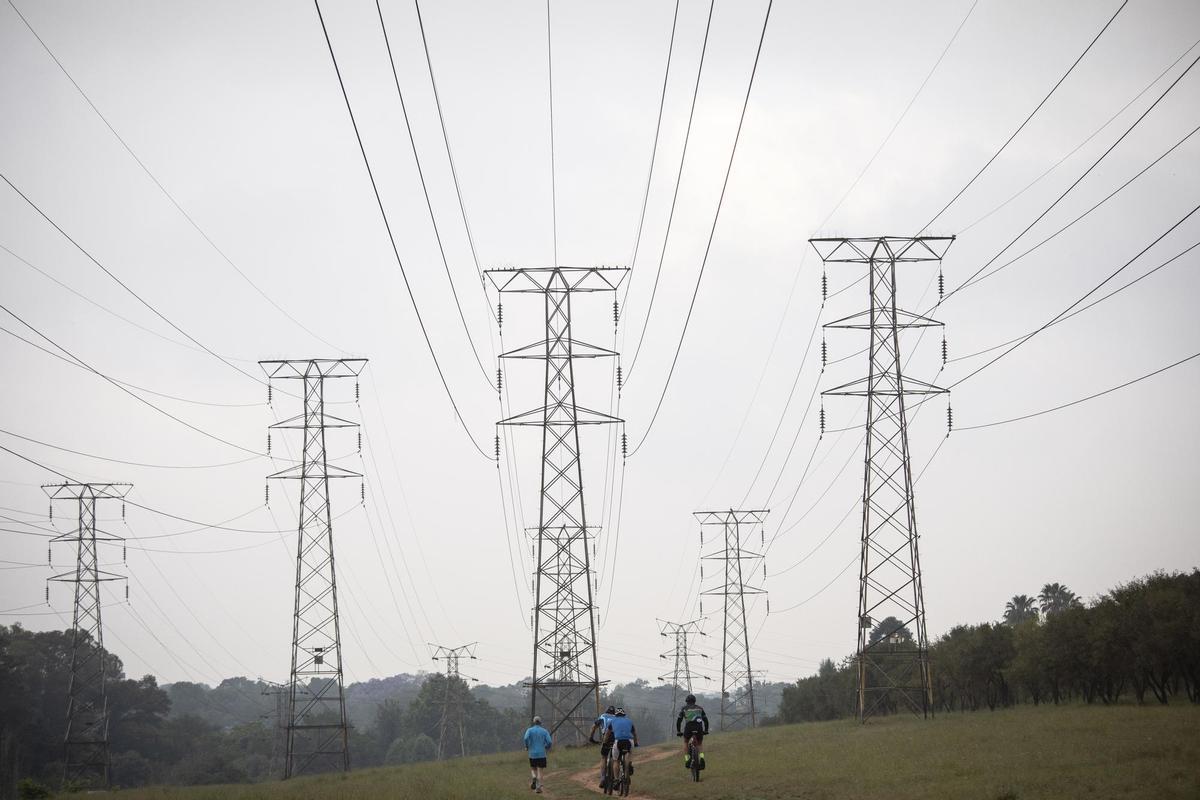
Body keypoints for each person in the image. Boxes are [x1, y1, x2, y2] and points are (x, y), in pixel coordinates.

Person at [604, 707, 639, 781]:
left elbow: (607, 734)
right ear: (624, 715)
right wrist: (636, 743)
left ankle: (616, 779)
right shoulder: (629, 721)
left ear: (616, 715)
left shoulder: (612, 721)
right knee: (629, 754)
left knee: (616, 760)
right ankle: (629, 764)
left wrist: (604, 742)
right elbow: (634, 733)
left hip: (618, 741)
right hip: (629, 740)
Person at [676, 694, 709, 769]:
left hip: (689, 727)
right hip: (699, 727)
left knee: (685, 742)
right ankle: (702, 758)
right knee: (700, 744)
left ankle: (687, 759)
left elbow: (679, 721)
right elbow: (706, 720)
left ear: (686, 702)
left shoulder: (684, 709)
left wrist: (678, 731)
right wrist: (706, 730)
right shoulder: (700, 708)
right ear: (694, 701)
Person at [588, 705, 618, 788]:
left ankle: (602, 778)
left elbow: (593, 727)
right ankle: (618, 778)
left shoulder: (603, 716)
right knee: (617, 759)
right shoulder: (617, 717)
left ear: (606, 711)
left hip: (607, 738)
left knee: (604, 757)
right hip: (617, 738)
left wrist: (591, 738)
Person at [522, 716, 552, 794]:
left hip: (532, 754)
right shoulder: (544, 731)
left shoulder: (529, 730)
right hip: (542, 754)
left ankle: (534, 777)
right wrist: (547, 747)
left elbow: (525, 738)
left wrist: (527, 746)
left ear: (534, 722)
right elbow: (549, 741)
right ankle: (538, 788)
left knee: (533, 768)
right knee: (540, 770)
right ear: (540, 722)